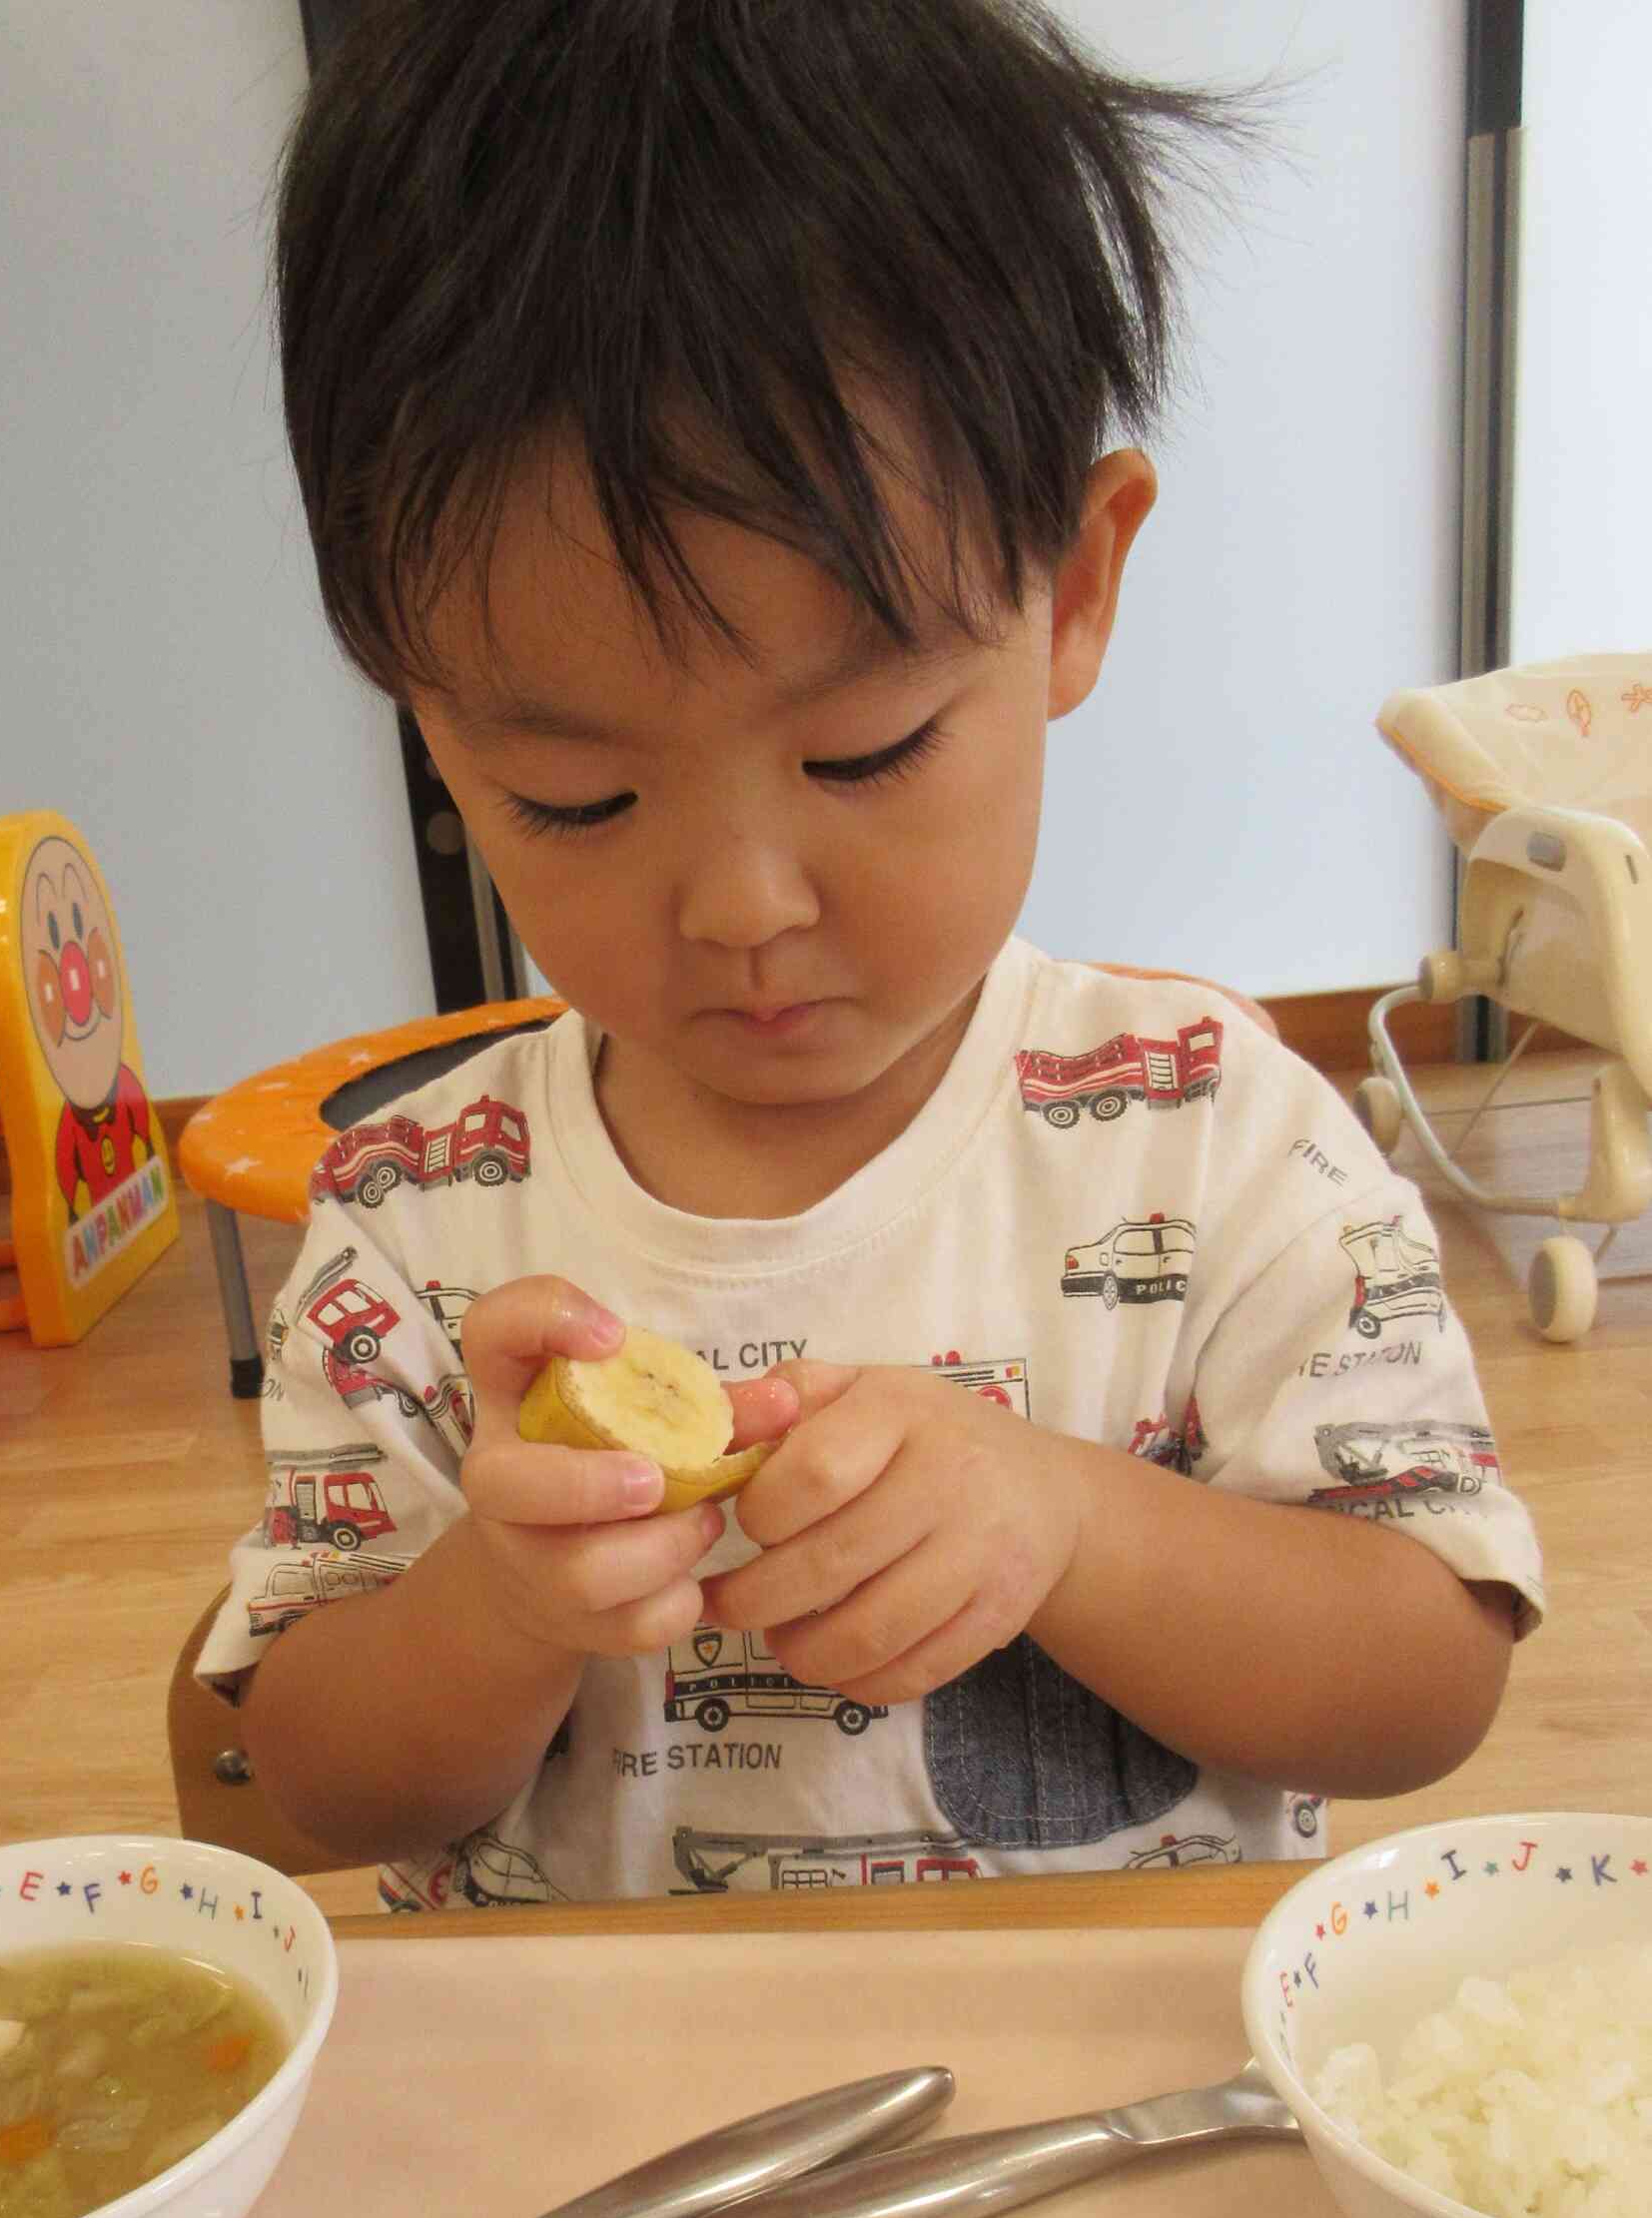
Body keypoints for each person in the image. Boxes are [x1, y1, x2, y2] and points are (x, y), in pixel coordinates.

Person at [198, 0, 1541, 1908]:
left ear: (1072, 588)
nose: (742, 904)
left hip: (1111, 2104)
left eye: (863, 749)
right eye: (576, 798)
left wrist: (1072, 1522)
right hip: (602, 2143)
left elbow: (1424, 1681)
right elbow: (321, 1780)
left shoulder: (1214, 1135)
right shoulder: (422, 1213)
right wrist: (500, 1599)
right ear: (425, 718)